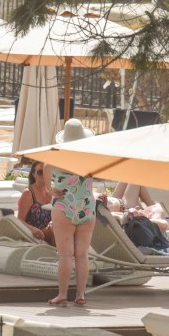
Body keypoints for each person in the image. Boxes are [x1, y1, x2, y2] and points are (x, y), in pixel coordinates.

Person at [49, 119, 97, 307]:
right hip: (86, 205)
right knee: (82, 255)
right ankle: (80, 295)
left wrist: (49, 188)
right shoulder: (91, 157)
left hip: (64, 204)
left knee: (65, 255)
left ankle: (62, 294)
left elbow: (44, 167)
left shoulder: (59, 155)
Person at [17, 160, 54, 245]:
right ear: (33, 174)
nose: (45, 175)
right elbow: (19, 220)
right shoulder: (28, 193)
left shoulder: (52, 193)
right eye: (41, 172)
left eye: (47, 172)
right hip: (33, 234)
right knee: (57, 231)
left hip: (49, 230)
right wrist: (33, 229)